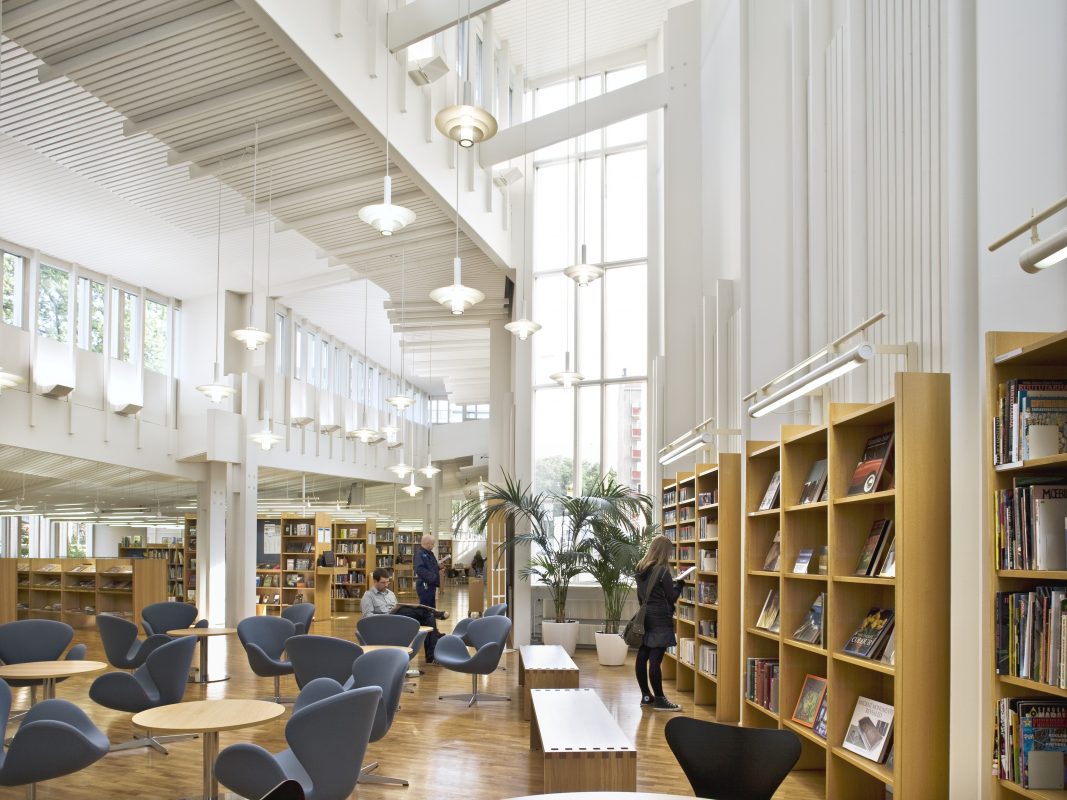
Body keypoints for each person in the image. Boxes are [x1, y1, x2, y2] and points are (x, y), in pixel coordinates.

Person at [634, 534, 685, 711]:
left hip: (645, 616)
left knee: (643, 655)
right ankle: (661, 700)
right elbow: (671, 598)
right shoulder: (663, 571)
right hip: (660, 619)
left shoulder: (640, 568)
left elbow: (641, 595)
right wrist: (680, 585)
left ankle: (646, 696)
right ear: (664, 552)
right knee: (655, 659)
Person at [360, 568, 445, 663]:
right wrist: (386, 615)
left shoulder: (390, 594)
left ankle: (431, 656)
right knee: (408, 610)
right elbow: (367, 617)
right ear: (375, 581)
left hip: (398, 620)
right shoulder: (368, 596)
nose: (386, 585)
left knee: (429, 619)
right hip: (385, 622)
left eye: (387, 582)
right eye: (383, 583)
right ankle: (432, 612)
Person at [414, 534, 441, 609]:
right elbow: (419, 569)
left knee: (431, 608)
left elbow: (430, 567)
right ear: (427, 543)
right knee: (425, 608)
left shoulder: (429, 553)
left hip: (430, 585)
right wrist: (433, 577)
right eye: (432, 544)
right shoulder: (420, 554)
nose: (433, 546)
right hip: (425, 585)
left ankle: (431, 620)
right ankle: (425, 621)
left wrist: (438, 567)